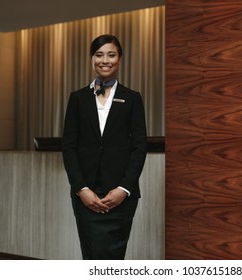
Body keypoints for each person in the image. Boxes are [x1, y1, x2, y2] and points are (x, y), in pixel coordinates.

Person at [62, 34, 147, 260]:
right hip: (86, 195)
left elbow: (140, 148)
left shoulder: (132, 98)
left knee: (114, 255)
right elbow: (68, 147)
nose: (105, 60)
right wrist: (81, 189)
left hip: (120, 196)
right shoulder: (78, 98)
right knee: (91, 255)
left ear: (120, 59)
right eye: (99, 55)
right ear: (92, 59)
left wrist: (124, 189)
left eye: (111, 54)